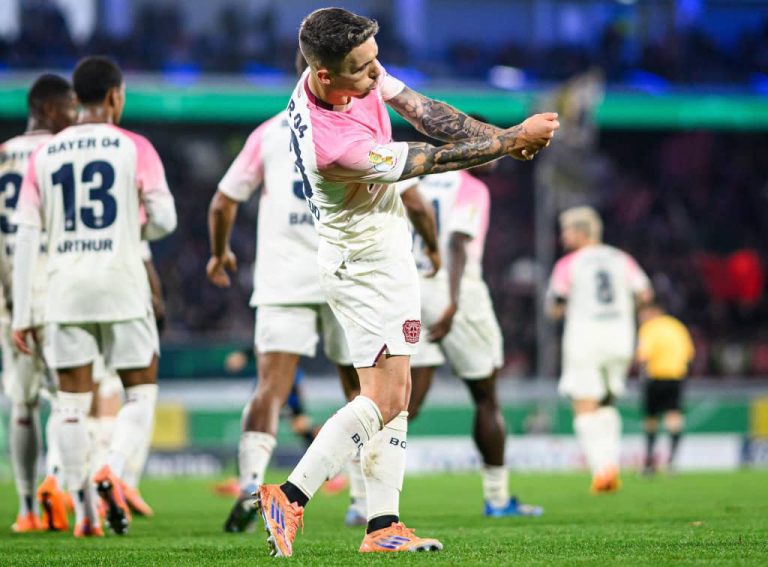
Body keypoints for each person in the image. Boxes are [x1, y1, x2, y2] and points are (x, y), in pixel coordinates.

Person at [244, 8, 557, 557]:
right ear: (324, 75)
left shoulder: (346, 73)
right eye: (363, 68)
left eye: (376, 60)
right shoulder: (333, 144)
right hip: (366, 265)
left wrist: (507, 139)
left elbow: (425, 112)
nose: (376, 74)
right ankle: (290, 496)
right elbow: (429, 158)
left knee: (395, 396)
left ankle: (382, 524)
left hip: (374, 255)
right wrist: (511, 141)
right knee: (384, 398)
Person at [207, 50, 440, 534]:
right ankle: (343, 499)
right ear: (328, 73)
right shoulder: (354, 126)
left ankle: (255, 485)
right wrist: (432, 246)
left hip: (285, 275)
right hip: (356, 265)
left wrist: (219, 253)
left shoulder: (271, 132)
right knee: (368, 390)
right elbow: (414, 193)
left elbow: (223, 201)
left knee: (272, 388)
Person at [11, 56, 177, 537]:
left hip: (64, 290)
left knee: (69, 405)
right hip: (122, 283)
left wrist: (22, 314)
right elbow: (165, 219)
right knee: (140, 391)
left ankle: (85, 514)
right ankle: (115, 467)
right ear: (113, 96)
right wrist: (130, 226)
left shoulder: (45, 155)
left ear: (76, 99)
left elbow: (26, 235)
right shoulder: (135, 147)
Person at [405, 164, 542, 518]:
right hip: (457, 293)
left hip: (408, 289)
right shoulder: (470, 187)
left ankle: (362, 500)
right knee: (486, 397)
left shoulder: (413, 178)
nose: (495, 156)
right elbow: (456, 242)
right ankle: (497, 499)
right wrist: (452, 302)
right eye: (486, 142)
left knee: (404, 406)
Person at [0, 73, 76, 533]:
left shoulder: (1, 156)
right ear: (48, 109)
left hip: (11, 298)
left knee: (22, 405)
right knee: (71, 398)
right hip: (59, 291)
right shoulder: (62, 153)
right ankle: (56, 484)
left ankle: (27, 508)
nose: (74, 116)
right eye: (69, 107)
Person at [546, 206, 652, 493]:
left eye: (567, 231)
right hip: (620, 337)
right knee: (606, 402)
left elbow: (556, 306)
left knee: (584, 403)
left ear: (581, 232)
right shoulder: (622, 259)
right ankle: (610, 465)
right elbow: (645, 293)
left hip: (586, 337)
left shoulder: (569, 264)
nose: (563, 237)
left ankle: (601, 470)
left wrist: (568, 309)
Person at [636, 301, 694, 475]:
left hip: (655, 377)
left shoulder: (649, 328)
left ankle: (649, 464)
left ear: (652, 312)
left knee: (651, 419)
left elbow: (643, 355)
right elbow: (689, 353)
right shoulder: (678, 327)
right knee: (674, 417)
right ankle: (672, 462)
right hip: (676, 377)